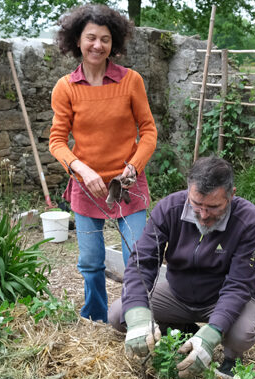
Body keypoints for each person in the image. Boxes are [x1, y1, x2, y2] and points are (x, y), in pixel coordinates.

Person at [49, 4, 157, 323]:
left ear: (115, 43)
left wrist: (135, 166)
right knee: (91, 262)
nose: (98, 45)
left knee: (136, 258)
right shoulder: (66, 87)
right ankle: (95, 317)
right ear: (77, 41)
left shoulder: (130, 81)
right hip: (86, 187)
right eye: (91, 38)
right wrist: (80, 168)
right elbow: (57, 141)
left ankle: (133, 318)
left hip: (128, 185)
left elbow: (148, 131)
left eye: (106, 39)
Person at [109, 157, 255, 378]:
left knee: (241, 335)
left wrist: (211, 336)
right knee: (119, 314)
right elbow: (143, 261)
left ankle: (230, 356)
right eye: (197, 204)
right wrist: (139, 317)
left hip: (220, 296)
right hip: (177, 293)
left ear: (231, 195)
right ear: (188, 190)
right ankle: (186, 332)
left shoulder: (249, 221)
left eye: (213, 207)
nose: (203, 215)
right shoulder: (169, 208)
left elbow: (239, 284)